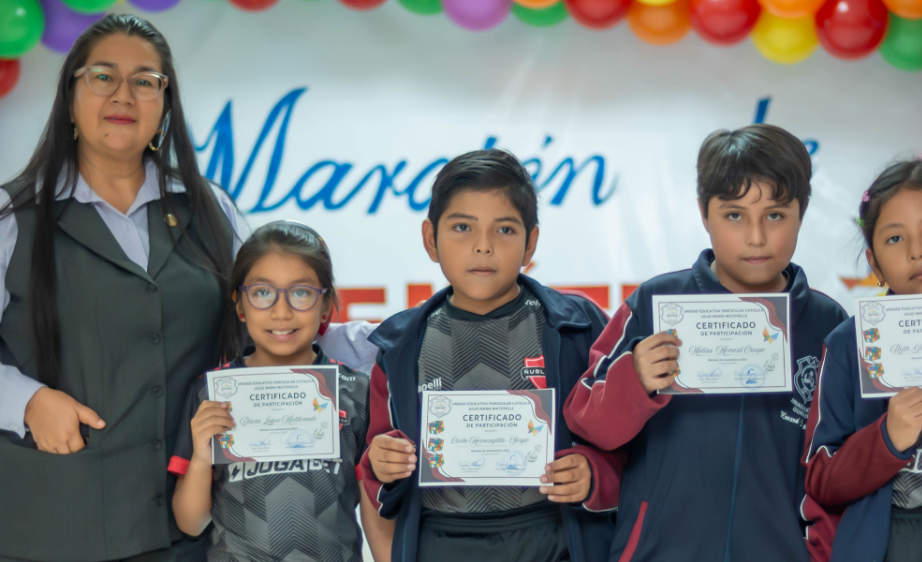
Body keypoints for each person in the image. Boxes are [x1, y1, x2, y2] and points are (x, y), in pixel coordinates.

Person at [0, 15, 374, 562]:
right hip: (56, 526)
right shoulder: (14, 216)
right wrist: (26, 400)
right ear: (70, 96)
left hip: (192, 533)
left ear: (166, 103)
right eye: (103, 76)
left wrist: (404, 340)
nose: (123, 94)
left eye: (145, 81)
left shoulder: (210, 208)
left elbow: (272, 326)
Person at [564, 125, 847, 562]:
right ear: (704, 213)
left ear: (801, 212)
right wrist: (634, 379)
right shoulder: (653, 303)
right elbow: (586, 421)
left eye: (775, 215)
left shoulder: (828, 323)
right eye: (734, 215)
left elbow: (839, 464)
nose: (756, 237)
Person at [359, 149, 623, 562]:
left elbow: (625, 439)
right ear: (430, 239)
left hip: (556, 540)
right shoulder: (400, 345)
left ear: (530, 243)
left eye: (504, 229)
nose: (483, 247)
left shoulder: (579, 327)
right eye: (462, 227)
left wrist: (595, 474)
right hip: (441, 543)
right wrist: (381, 465)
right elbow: (375, 469)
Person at [804, 160, 922, 562]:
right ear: (874, 263)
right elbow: (821, 480)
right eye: (894, 238)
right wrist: (885, 439)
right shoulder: (847, 345)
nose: (917, 251)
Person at [170, 221, 394, 562]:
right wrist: (202, 456)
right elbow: (190, 523)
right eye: (262, 292)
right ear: (239, 304)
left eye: (301, 292)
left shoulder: (356, 392)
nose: (281, 311)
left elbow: (375, 509)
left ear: (325, 305)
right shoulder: (210, 393)